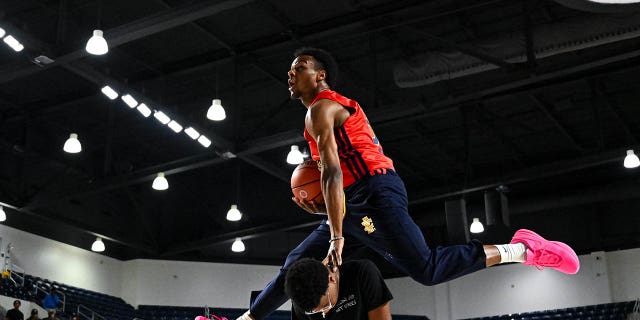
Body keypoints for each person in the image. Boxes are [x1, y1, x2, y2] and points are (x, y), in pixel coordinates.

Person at [234, 47, 581, 320]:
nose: (291, 73)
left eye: (300, 67)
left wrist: (337, 235)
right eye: (290, 69)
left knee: (426, 269)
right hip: (354, 199)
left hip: (372, 194)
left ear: (320, 75)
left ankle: (523, 249)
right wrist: (329, 208)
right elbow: (333, 176)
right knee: (298, 262)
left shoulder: (321, 108)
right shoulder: (318, 114)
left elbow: (333, 173)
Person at [285, 258, 392, 320]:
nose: (324, 314)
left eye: (326, 306)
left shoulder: (362, 274)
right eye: (314, 312)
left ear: (331, 279)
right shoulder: (302, 300)